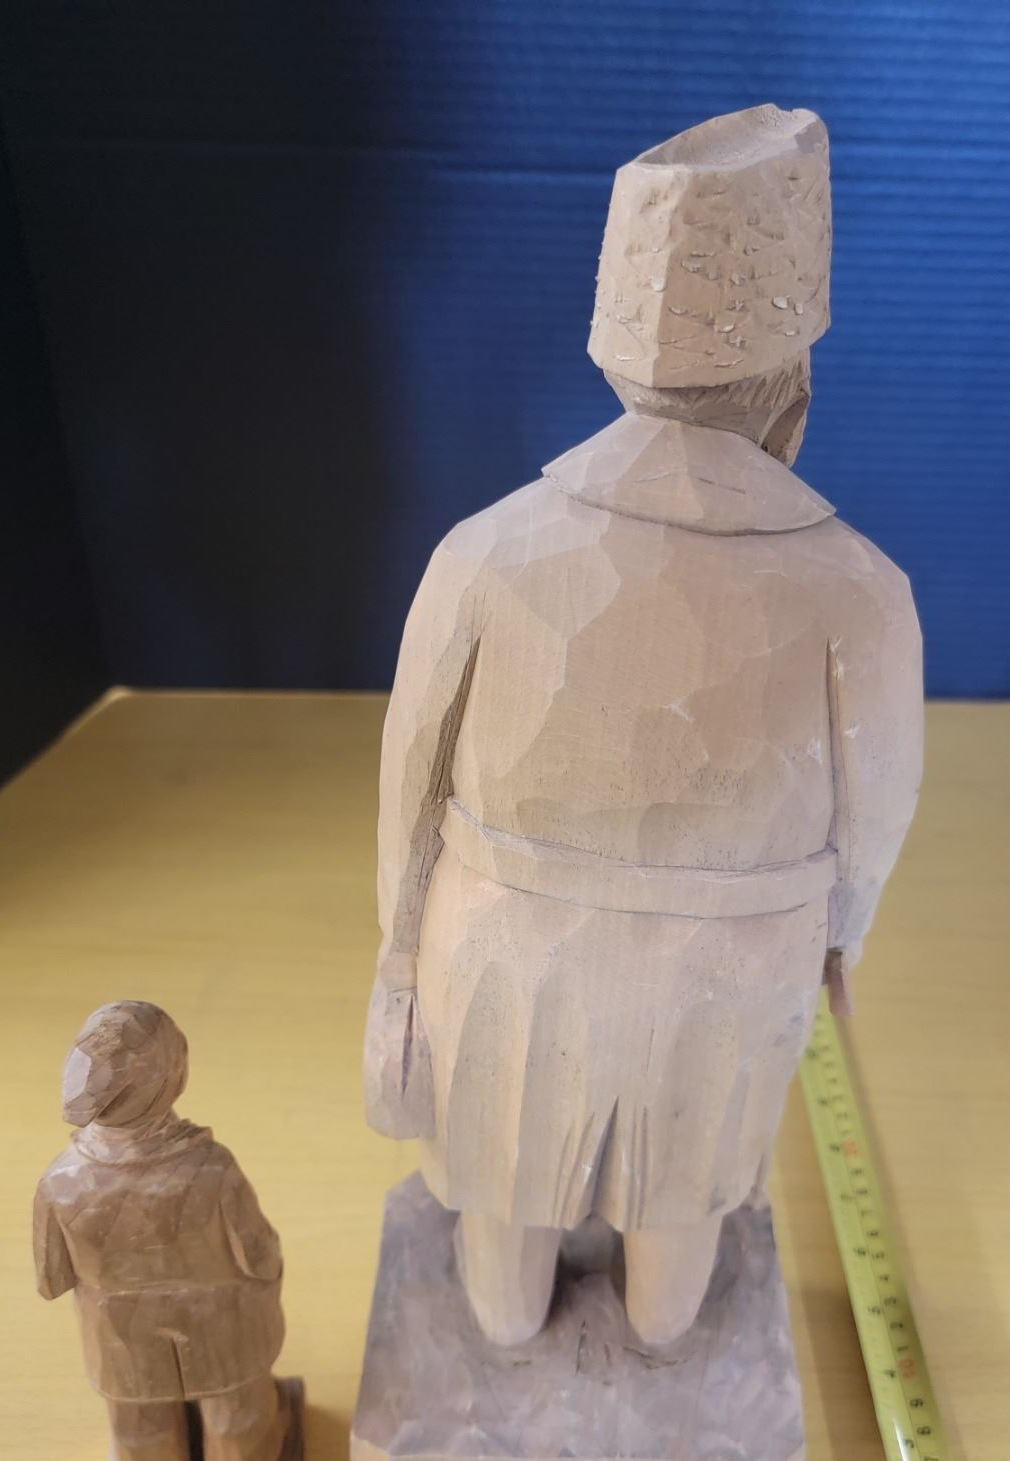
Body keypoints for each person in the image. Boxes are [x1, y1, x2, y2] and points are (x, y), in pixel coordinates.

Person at [365, 106, 922, 1349]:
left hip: (505, 954)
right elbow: (875, 818)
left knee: (502, 1224)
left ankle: (508, 1321)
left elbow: (409, 792)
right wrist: (840, 939)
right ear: (792, 385)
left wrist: (398, 961)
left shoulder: (487, 552)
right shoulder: (861, 593)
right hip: (734, 968)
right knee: (682, 1218)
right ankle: (663, 1329)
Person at [33, 1001, 287, 1461]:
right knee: (237, 1415)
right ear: (174, 1077)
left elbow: (51, 1281)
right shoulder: (212, 1169)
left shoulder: (59, 1183)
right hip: (222, 1334)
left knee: (138, 1426)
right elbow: (259, 1254)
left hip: (122, 1345)